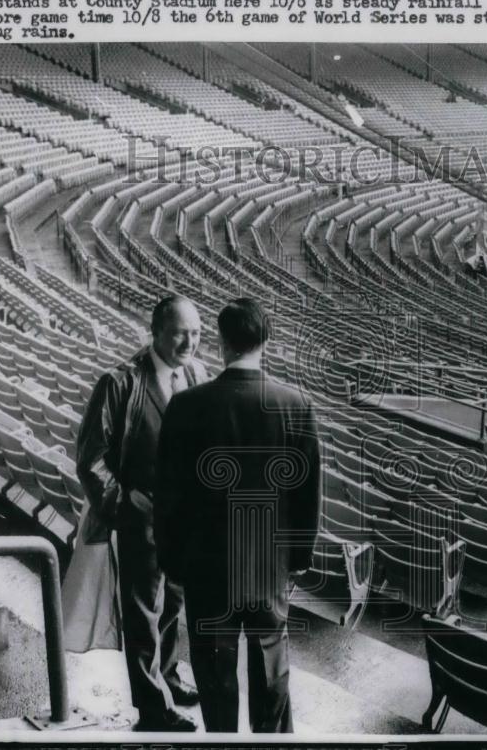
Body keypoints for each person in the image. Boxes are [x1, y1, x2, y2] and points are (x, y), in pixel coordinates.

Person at [155, 297, 321, 733]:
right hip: (268, 568)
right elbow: (307, 497)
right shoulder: (295, 404)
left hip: (206, 568)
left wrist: (172, 563)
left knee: (214, 675)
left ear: (222, 342)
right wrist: (299, 560)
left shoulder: (186, 406)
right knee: (271, 673)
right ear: (265, 341)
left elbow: (167, 496)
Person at [75, 295, 209, 732]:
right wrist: (125, 507)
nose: (190, 341)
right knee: (142, 613)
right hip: (141, 517)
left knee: (172, 605)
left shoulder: (196, 373)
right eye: (179, 332)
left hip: (183, 521)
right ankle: (153, 708)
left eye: (197, 333)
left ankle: (168, 675)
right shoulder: (119, 382)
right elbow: (91, 460)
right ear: (155, 332)